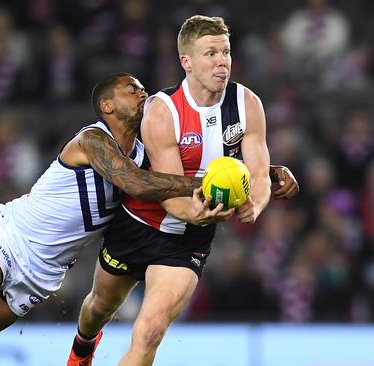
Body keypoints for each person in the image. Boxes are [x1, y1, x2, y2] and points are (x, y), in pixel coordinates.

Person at [0, 72, 232, 366]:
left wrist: (259, 176)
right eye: (132, 89)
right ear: (107, 106)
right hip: (8, 238)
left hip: (42, 276)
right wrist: (205, 184)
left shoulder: (144, 154)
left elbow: (168, 176)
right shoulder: (92, 139)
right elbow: (135, 183)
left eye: (143, 88)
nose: (143, 93)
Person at [66, 15, 299, 366]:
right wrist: (199, 211)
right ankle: (83, 347)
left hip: (187, 241)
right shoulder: (163, 110)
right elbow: (170, 192)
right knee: (99, 307)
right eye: (210, 53)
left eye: (226, 52)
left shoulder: (248, 104)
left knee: (149, 332)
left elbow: (259, 173)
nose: (222, 61)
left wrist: (256, 204)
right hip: (139, 221)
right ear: (186, 61)